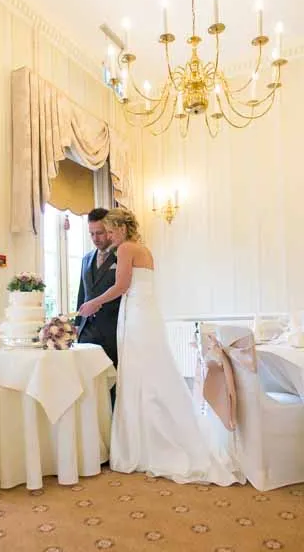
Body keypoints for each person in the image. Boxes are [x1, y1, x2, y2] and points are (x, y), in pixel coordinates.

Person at [78, 208, 244, 486]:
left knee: (138, 374)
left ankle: (145, 443)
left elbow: (121, 285)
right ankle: (145, 437)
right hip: (143, 314)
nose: (105, 235)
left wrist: (94, 302)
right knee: (146, 373)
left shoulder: (127, 248)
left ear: (119, 229)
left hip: (137, 317)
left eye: (108, 230)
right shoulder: (142, 248)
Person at [76, 208, 120, 370]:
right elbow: (83, 293)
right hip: (87, 331)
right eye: (92, 234)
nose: (95, 238)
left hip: (113, 329)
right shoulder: (86, 259)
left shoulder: (122, 255)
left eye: (100, 233)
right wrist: (77, 324)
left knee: (113, 381)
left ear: (110, 230)